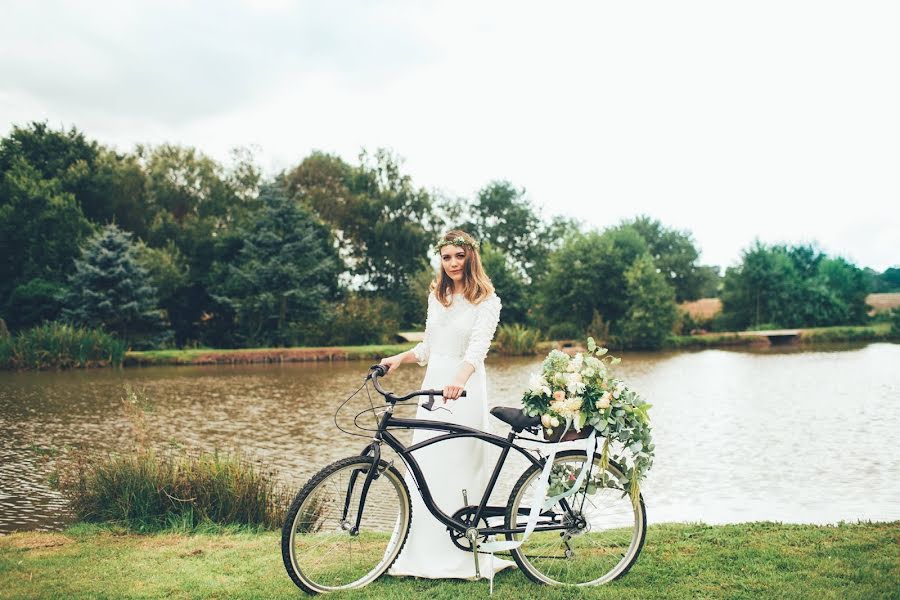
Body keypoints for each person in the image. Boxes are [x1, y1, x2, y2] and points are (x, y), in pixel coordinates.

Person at [380, 229, 516, 579]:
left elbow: (477, 348)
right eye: (446, 257)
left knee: (460, 462)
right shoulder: (437, 295)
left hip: (464, 387)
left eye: (459, 256)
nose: (453, 263)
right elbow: (428, 347)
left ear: (471, 257)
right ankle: (418, 550)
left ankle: (462, 547)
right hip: (433, 386)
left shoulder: (487, 300)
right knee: (425, 462)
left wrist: (459, 377)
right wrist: (400, 357)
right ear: (440, 260)